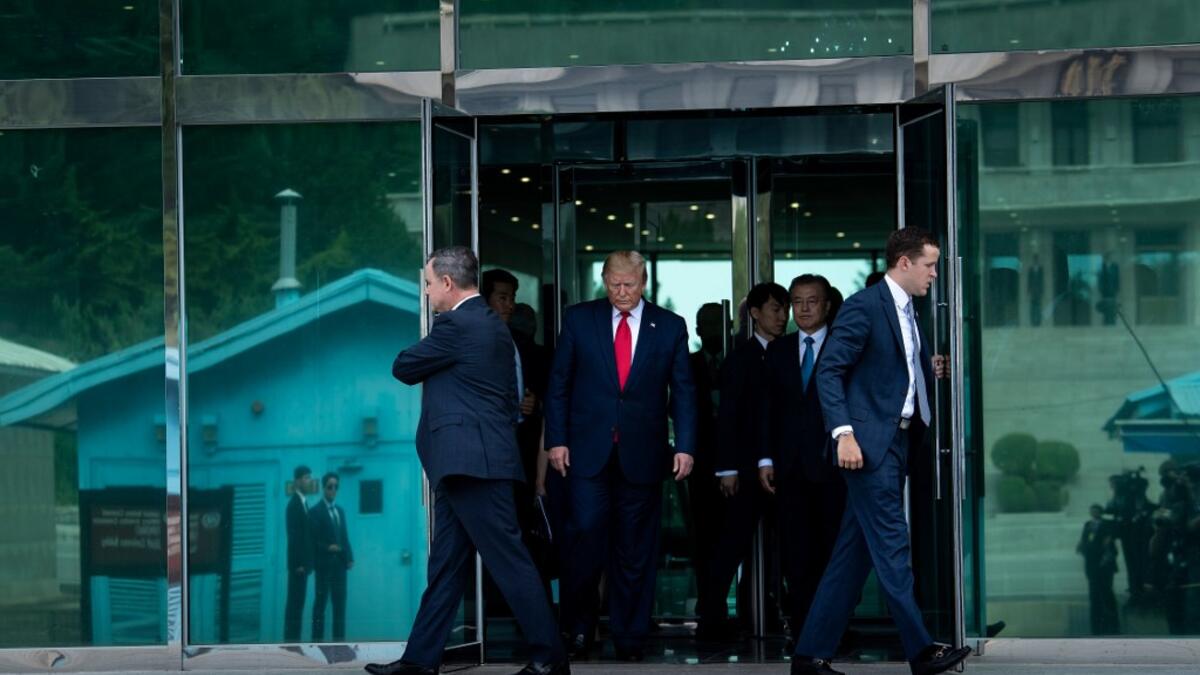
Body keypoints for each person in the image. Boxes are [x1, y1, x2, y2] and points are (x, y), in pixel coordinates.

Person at [369, 247, 567, 675]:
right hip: (472, 463)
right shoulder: (489, 325)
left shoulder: (458, 324)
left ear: (446, 283)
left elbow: (403, 366)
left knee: (511, 562)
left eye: (426, 282)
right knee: (446, 567)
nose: (425, 291)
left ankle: (550, 660)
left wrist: (436, 363)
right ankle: (420, 661)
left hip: (473, 465)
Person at [791, 228, 970, 675]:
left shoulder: (908, 309)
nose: (934, 272)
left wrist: (927, 369)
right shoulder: (864, 306)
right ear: (904, 263)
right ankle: (921, 651)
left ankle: (809, 655)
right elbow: (829, 371)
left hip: (898, 442)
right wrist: (844, 434)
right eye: (929, 264)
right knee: (892, 544)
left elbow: (887, 368)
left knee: (852, 556)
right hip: (869, 447)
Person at [545, 250, 697, 661]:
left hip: (643, 455)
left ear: (644, 281)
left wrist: (684, 445)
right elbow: (558, 384)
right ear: (604, 278)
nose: (622, 292)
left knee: (635, 550)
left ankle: (630, 637)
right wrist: (555, 440)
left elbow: (683, 391)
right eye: (614, 284)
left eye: (629, 284)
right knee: (585, 539)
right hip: (586, 454)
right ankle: (579, 626)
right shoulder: (580, 319)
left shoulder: (669, 326)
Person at [695, 283, 788, 641]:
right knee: (732, 544)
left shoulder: (788, 352)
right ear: (755, 314)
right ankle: (712, 617)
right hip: (745, 468)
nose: (782, 316)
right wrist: (727, 469)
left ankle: (763, 611)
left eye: (784, 310)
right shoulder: (740, 357)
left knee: (780, 548)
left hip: (783, 468)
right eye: (775, 309)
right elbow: (729, 417)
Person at [761, 275, 847, 644]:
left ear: (827, 305)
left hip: (835, 467)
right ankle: (804, 632)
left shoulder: (845, 347)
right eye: (797, 302)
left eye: (813, 301)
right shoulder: (779, 350)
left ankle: (834, 629)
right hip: (790, 468)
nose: (805, 308)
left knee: (833, 552)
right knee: (796, 554)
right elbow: (765, 409)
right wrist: (765, 459)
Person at [310, 472, 353, 642]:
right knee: (320, 606)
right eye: (330, 486)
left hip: (340, 567)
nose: (333, 490)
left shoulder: (340, 511)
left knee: (339, 606)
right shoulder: (315, 512)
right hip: (324, 566)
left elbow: (344, 536)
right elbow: (312, 542)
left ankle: (339, 643)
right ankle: (316, 643)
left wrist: (349, 557)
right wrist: (328, 547)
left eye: (336, 487)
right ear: (323, 488)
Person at [1077, 504, 1120, 635]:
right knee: (1094, 587)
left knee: (1106, 587)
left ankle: (1110, 613)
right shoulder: (1088, 524)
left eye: (1096, 510)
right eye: (1092, 510)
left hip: (1104, 561)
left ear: (1101, 512)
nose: (1094, 513)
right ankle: (1097, 609)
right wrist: (1082, 548)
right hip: (1091, 561)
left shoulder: (1108, 524)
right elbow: (1084, 539)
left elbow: (1110, 541)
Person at [284, 465, 314, 642]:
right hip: (298, 567)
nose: (308, 481)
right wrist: (299, 564)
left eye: (309, 478)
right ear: (296, 481)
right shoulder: (294, 504)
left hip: (303, 566)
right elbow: (294, 537)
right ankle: (291, 643)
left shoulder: (303, 502)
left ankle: (293, 641)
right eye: (305, 478)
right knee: (295, 605)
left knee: (298, 605)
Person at [1027, 255, 1044, 327]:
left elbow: (1042, 281)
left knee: (1038, 307)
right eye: (1034, 259)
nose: (1035, 261)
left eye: (1036, 259)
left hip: (1038, 291)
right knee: (1032, 307)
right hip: (1033, 291)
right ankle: (1032, 322)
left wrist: (1042, 290)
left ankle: (1038, 322)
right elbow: (1029, 280)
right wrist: (1028, 290)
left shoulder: (1041, 269)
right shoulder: (1030, 269)